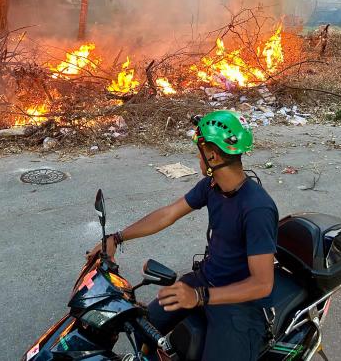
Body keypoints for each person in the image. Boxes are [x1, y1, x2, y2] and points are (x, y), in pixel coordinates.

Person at [87, 110, 278, 361]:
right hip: (205, 279)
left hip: (238, 303)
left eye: (199, 151)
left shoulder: (257, 208)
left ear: (212, 155)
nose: (197, 158)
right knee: (142, 327)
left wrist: (199, 297)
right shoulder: (212, 186)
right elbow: (168, 214)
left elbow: (262, 284)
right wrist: (116, 237)